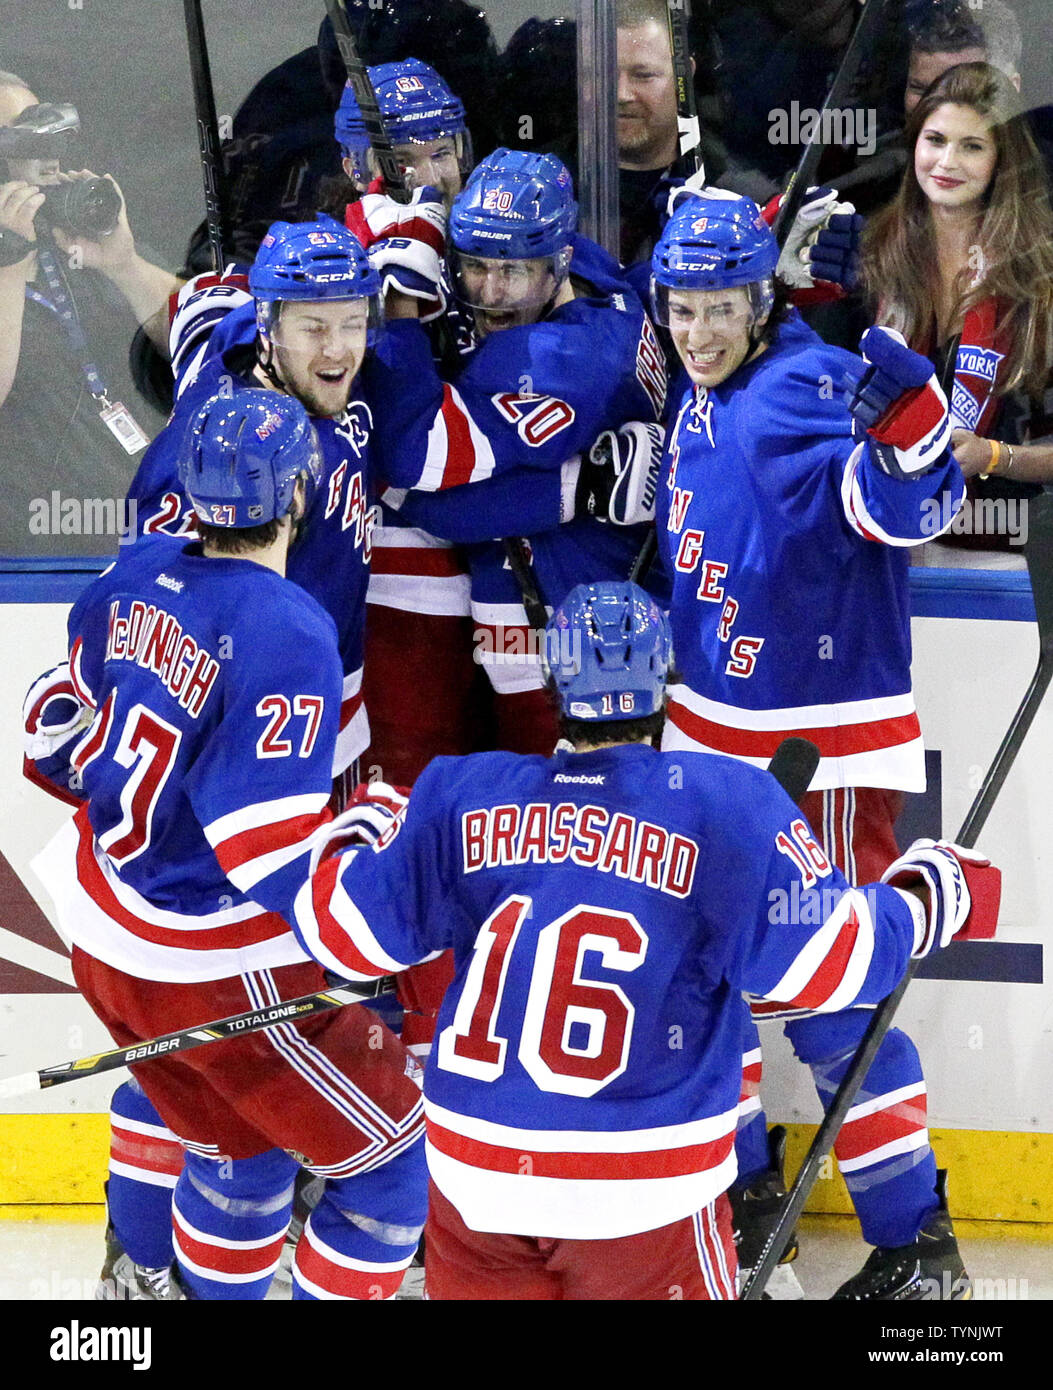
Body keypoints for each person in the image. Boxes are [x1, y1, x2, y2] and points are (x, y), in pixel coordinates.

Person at [282, 580, 996, 1300]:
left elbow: (342, 938)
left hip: (477, 1180)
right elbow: (834, 966)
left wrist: (368, 820)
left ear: (554, 680)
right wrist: (935, 892)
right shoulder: (723, 803)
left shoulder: (464, 792)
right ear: (666, 676)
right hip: (639, 1186)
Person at [26, 389, 428, 1300]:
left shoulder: (128, 577)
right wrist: (370, 833)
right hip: (208, 962)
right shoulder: (289, 631)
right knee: (394, 1174)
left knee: (239, 1165)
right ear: (298, 496)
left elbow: (49, 724)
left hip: (105, 937)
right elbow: (264, 857)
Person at [651, 193, 975, 1299]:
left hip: (814, 758)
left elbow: (906, 506)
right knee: (710, 986)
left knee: (831, 998)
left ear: (759, 301)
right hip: (716, 743)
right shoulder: (710, 383)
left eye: (717, 308)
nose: (696, 331)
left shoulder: (793, 387)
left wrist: (913, 430)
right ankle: (745, 1201)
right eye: (680, 307)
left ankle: (916, 1242)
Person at [862, 63, 1053, 551]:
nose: (947, 162)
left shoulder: (1041, 277)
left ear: (1001, 161)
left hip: (1010, 547)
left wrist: (994, 455)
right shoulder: (872, 253)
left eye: (972, 146)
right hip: (879, 532)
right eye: (936, 139)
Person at [0, 78, 179, 557]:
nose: (52, 155)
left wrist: (123, 264)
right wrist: (10, 260)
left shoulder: (75, 243)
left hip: (143, 539)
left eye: (56, 137)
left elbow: (205, 341)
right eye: (29, 139)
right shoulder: (13, 264)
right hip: (29, 560)